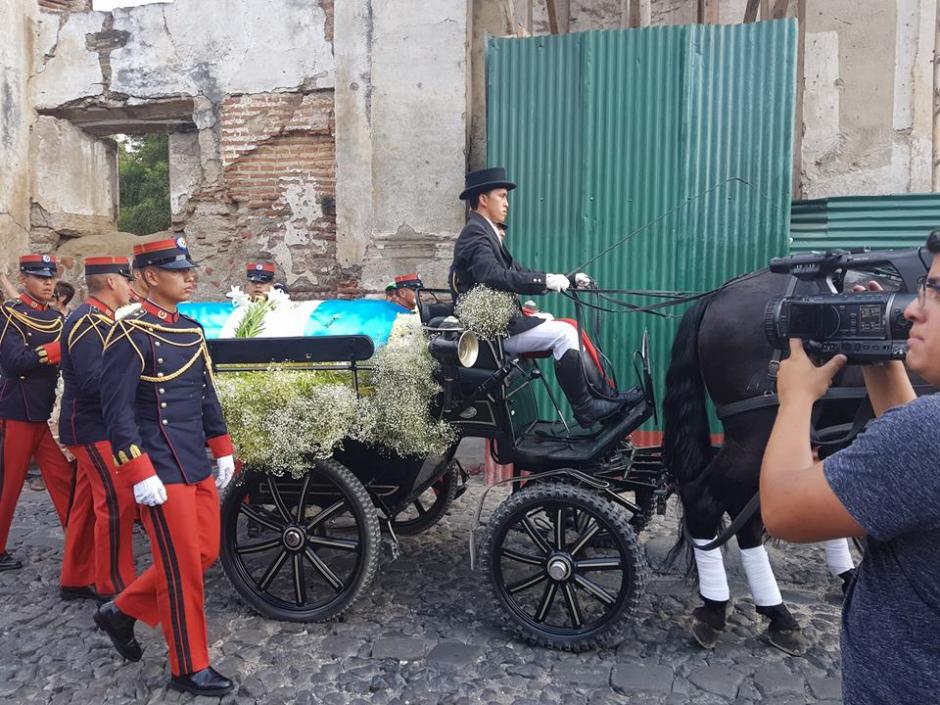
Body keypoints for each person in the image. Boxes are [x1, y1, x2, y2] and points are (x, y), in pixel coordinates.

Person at [760, 233, 940, 705]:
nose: (910, 312)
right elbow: (913, 471)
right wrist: (878, 358)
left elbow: (781, 509)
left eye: (936, 293)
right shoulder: (923, 436)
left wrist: (796, 398)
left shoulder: (928, 435)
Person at [93, 237, 236, 697]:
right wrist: (138, 472)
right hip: (157, 467)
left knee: (204, 553)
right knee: (180, 570)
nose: (190, 275)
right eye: (179, 270)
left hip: (194, 459)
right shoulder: (130, 334)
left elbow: (203, 395)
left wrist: (224, 447)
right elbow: (115, 413)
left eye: (190, 268)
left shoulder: (191, 330)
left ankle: (120, 611)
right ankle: (188, 666)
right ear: (150, 276)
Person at [449, 167, 641, 426]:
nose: (506, 204)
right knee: (564, 333)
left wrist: (565, 279)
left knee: (561, 326)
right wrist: (547, 282)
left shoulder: (485, 232)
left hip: (502, 328)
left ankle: (606, 397)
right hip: (492, 336)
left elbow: (518, 271)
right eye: (502, 196)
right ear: (483, 199)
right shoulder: (476, 233)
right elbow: (492, 274)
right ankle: (587, 408)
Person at [57, 257, 137, 602]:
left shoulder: (99, 319)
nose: (131, 287)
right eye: (126, 280)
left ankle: (75, 578)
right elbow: (93, 381)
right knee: (116, 501)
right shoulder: (90, 322)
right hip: (92, 426)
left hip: (92, 423)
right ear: (111, 283)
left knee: (87, 503)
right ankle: (113, 584)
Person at [0, 255, 75, 571]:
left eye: (51, 277)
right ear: (23, 278)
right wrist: (57, 351)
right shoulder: (10, 315)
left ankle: (79, 549)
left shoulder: (57, 320)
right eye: (40, 277)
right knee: (9, 484)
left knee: (64, 481)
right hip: (18, 410)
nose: (48, 283)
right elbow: (15, 362)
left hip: (47, 414)